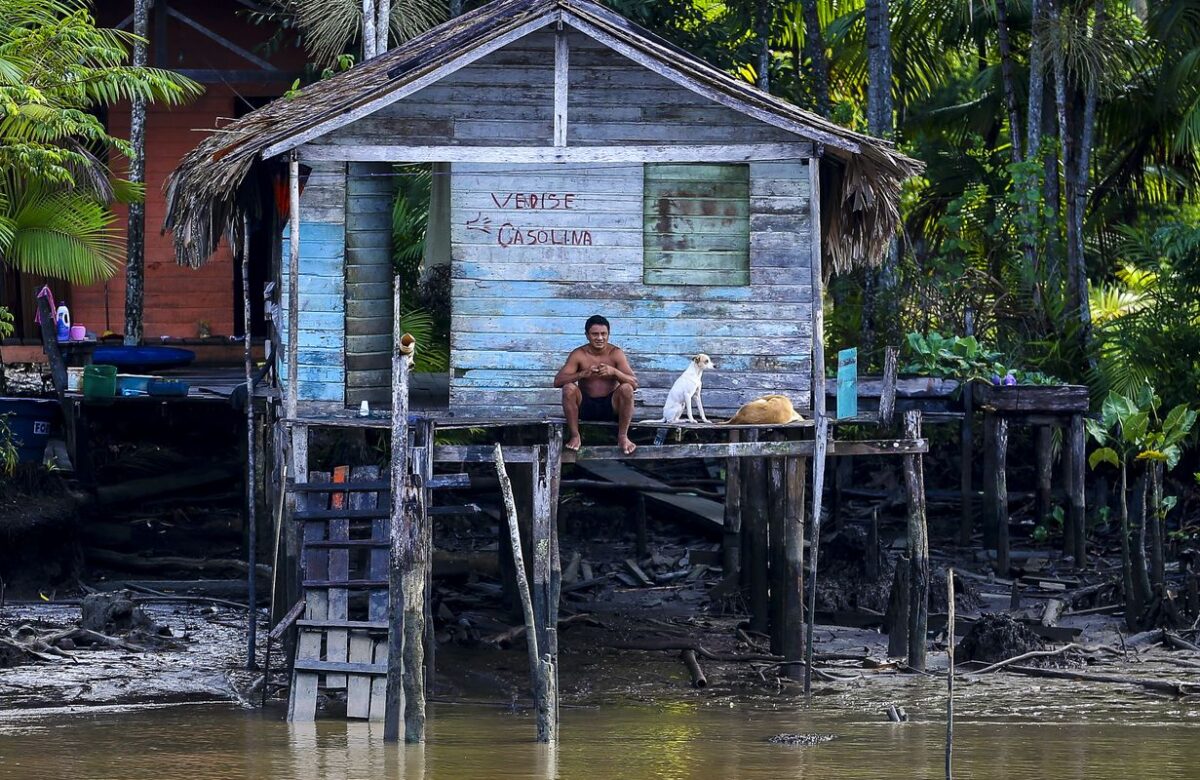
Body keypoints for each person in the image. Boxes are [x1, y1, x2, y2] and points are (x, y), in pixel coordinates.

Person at [554, 315, 639, 454]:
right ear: (587, 335)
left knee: (627, 388)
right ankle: (575, 436)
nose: (600, 338)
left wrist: (615, 372)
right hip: (585, 406)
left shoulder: (616, 353)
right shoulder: (579, 354)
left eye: (603, 334)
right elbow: (557, 381)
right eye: (595, 334)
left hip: (611, 406)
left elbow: (634, 383)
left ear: (608, 334)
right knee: (569, 388)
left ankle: (623, 436)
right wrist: (581, 374)